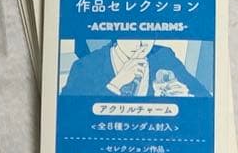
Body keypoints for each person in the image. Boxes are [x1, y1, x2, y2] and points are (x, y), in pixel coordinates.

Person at [61, 39, 210, 97]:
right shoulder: (85, 67)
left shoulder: (163, 56)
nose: (141, 43)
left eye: (147, 35)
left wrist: (186, 96)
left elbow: (204, 98)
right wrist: (115, 85)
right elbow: (71, 120)